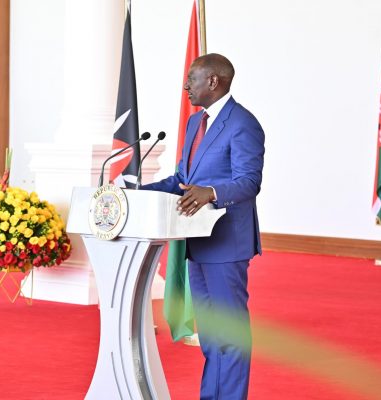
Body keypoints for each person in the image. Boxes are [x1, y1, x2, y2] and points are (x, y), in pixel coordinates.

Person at [140, 53, 265, 399]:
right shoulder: (196, 123)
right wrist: (135, 191)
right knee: (210, 335)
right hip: (198, 242)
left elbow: (249, 182)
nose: (186, 86)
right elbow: (182, 180)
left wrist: (210, 192)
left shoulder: (243, 123)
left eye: (191, 79)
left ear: (213, 81)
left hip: (227, 243)